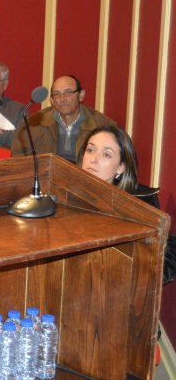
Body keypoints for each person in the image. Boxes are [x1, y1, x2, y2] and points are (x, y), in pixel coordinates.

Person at [78, 125, 176, 283]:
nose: (93, 159)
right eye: (90, 150)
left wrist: (133, 278)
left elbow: (170, 251)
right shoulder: (61, 192)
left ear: (121, 167)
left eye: (106, 154)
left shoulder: (139, 202)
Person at [12, 75, 116, 163]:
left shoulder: (102, 126)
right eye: (56, 94)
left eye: (68, 93)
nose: (62, 99)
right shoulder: (33, 124)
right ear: (52, 101)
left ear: (81, 95)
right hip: (45, 178)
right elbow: (19, 158)